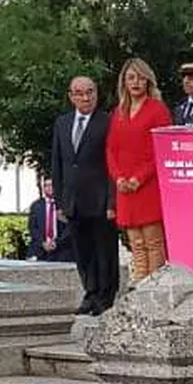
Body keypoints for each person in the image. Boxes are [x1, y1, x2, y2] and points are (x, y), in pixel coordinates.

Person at [51, 76, 118, 315]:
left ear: (96, 94)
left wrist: (113, 200)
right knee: (82, 250)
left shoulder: (107, 122)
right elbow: (57, 163)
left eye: (90, 92)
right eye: (79, 93)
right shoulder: (62, 123)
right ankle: (89, 293)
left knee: (104, 250)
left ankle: (105, 296)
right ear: (71, 96)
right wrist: (60, 201)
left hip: (100, 199)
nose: (85, 97)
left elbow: (113, 164)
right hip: (74, 200)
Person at [106, 57, 173, 284]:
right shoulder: (119, 112)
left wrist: (139, 178)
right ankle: (140, 288)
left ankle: (156, 288)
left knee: (153, 242)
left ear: (148, 81)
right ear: (124, 82)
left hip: (149, 184)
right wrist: (118, 178)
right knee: (135, 243)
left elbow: (161, 150)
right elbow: (111, 149)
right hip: (125, 186)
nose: (135, 83)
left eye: (140, 78)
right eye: (131, 78)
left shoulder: (157, 109)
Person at [27, 175, 73, 262]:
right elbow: (32, 228)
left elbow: (69, 227)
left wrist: (57, 243)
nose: (48, 188)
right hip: (40, 249)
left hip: (62, 249)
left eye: (51, 185)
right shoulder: (36, 206)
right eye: (46, 185)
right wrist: (43, 243)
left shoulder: (64, 205)